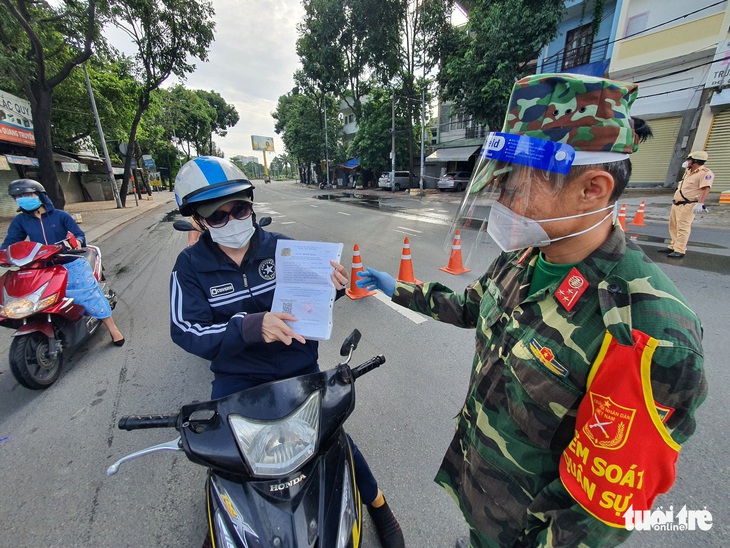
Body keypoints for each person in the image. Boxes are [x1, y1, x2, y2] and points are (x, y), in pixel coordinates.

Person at [357, 74, 707, 547]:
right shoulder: (528, 254)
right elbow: (472, 305)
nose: (500, 199)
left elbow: (596, 513)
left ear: (593, 189)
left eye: (515, 185)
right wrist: (395, 288)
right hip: (481, 501)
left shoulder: (645, 330)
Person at [169, 156, 404, 547]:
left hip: (298, 370)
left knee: (334, 441)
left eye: (239, 209)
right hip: (236, 381)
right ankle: (226, 526)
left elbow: (312, 304)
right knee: (228, 464)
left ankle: (378, 505)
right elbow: (185, 330)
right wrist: (248, 326)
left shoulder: (285, 250)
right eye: (217, 217)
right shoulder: (188, 266)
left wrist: (333, 287)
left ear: (251, 204)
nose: (232, 221)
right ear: (198, 220)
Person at [1, 179, 125, 346]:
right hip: (41, 267)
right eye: (19, 196)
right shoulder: (20, 221)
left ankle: (112, 328)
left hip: (69, 261)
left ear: (39, 196)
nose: (23, 198)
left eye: (28, 194)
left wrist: (73, 242)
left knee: (88, 293)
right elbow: (9, 244)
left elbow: (79, 235)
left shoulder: (60, 216)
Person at [658, 150, 714, 258]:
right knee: (673, 226)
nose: (687, 162)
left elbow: (705, 189)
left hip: (688, 205)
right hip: (677, 204)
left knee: (683, 227)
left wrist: (700, 203)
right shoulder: (688, 171)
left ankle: (680, 250)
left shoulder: (705, 173)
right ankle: (673, 246)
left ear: (695, 161)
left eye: (689, 160)